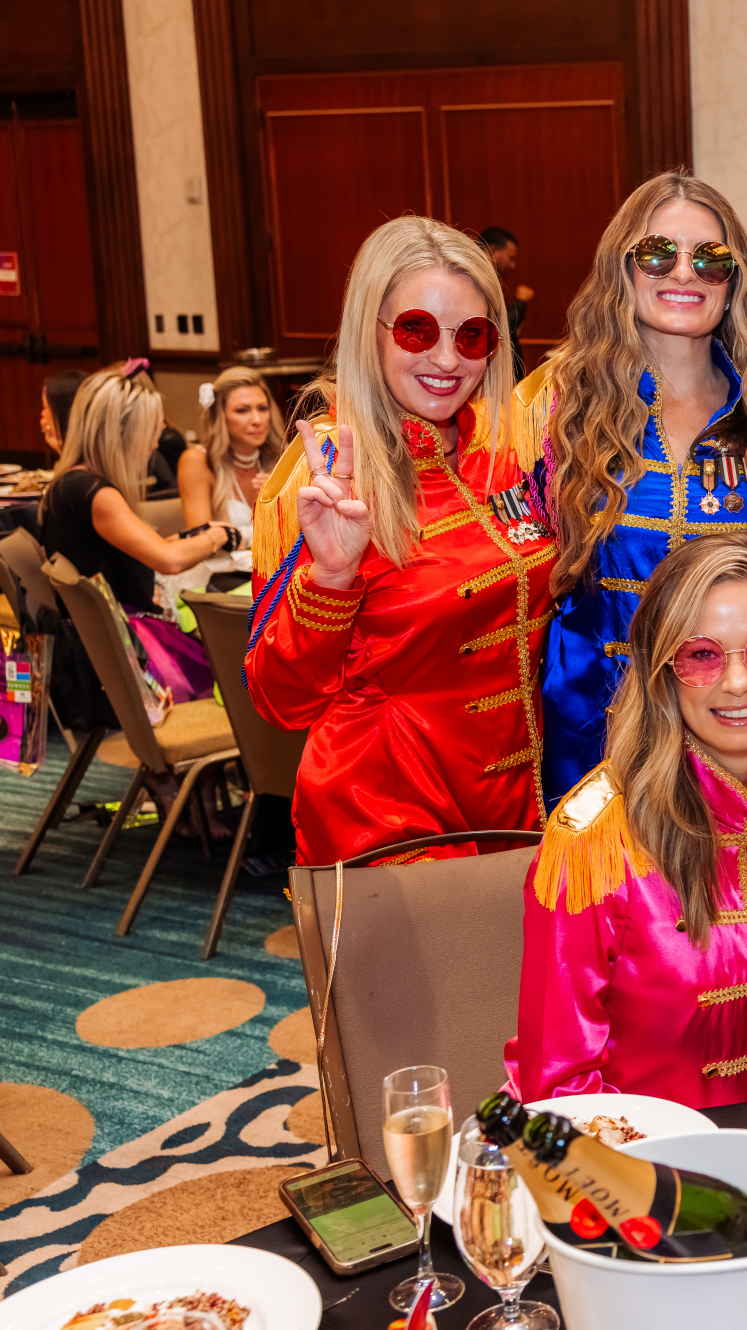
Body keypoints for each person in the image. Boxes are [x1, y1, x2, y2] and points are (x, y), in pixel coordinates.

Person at [247, 215, 554, 866]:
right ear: (372, 332)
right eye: (417, 330)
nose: (446, 360)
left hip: (515, 805)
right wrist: (330, 577)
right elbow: (280, 701)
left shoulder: (508, 454)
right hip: (386, 819)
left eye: (471, 336)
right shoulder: (328, 472)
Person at [507, 536, 747, 1107]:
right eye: (703, 655)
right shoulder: (594, 843)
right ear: (662, 671)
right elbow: (558, 1084)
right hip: (637, 1171)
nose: (739, 682)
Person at [519, 174, 747, 805]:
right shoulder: (554, 410)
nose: (685, 273)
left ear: (735, 278)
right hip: (592, 735)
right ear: (623, 267)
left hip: (736, 734)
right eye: (658, 254)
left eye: (711, 258)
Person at [40, 363, 230, 702]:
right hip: (123, 658)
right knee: (238, 675)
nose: (155, 443)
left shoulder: (72, 481)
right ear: (122, 433)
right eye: (149, 432)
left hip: (104, 644)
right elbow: (168, 561)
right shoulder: (94, 493)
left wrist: (200, 534)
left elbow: (144, 550)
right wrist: (219, 537)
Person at [177, 366, 279, 592]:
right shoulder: (198, 461)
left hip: (272, 573)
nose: (257, 420)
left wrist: (280, 503)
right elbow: (203, 540)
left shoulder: (283, 458)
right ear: (219, 415)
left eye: (263, 409)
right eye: (242, 410)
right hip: (217, 580)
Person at [482, 225, 533, 381]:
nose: (513, 265)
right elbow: (498, 328)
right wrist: (520, 302)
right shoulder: (477, 279)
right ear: (493, 251)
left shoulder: (488, 278)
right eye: (511, 258)